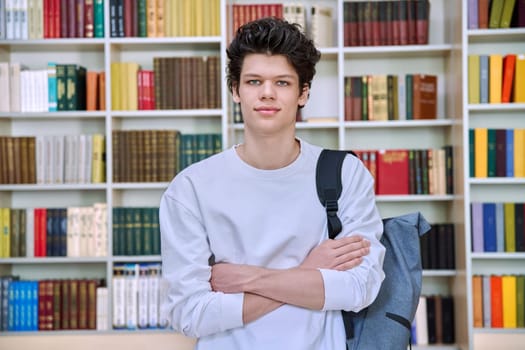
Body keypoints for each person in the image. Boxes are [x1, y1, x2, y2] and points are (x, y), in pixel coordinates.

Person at [159, 17, 385, 350]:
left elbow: (360, 288)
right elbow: (189, 313)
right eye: (253, 81)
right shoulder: (191, 188)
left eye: (282, 82)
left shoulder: (344, 174)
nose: (267, 93)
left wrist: (253, 279)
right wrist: (310, 271)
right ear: (235, 90)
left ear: (303, 93)